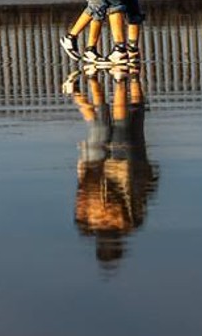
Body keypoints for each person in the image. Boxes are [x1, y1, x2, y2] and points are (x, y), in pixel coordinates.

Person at [66, 67, 159, 270]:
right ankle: (107, 81)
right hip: (106, 170)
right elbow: (83, 188)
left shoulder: (120, 223)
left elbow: (140, 197)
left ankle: (121, 80)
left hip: (119, 170)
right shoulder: (87, 222)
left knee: (121, 121)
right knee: (109, 123)